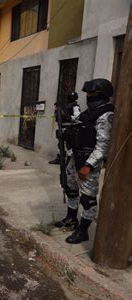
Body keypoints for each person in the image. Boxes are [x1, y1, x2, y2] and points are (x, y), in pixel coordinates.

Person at [53, 79, 114, 244]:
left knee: (87, 198)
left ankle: (83, 231)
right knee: (70, 188)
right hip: (75, 156)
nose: (88, 97)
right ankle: (71, 219)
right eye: (88, 94)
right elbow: (77, 127)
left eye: (91, 94)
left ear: (100, 95)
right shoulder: (89, 112)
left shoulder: (106, 115)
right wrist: (65, 132)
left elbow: (103, 146)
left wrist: (88, 166)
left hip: (88, 162)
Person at [49, 92, 81, 164]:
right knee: (60, 144)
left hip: (70, 128)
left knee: (69, 145)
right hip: (62, 127)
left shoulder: (75, 106)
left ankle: (69, 161)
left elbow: (77, 117)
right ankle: (59, 159)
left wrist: (69, 117)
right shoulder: (64, 106)